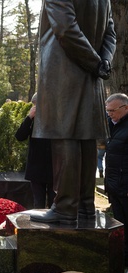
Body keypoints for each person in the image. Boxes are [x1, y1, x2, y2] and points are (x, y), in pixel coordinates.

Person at [29, 0, 116, 224]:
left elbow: (66, 29)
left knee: (64, 134)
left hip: (63, 71)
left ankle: (66, 206)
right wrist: (103, 60)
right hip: (91, 75)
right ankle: (84, 206)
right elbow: (109, 32)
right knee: (85, 136)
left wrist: (96, 62)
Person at [15, 94, 55, 209]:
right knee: (38, 202)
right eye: (34, 106)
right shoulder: (32, 119)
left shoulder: (56, 119)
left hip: (53, 167)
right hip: (36, 167)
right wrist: (29, 118)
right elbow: (20, 136)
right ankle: (38, 226)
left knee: (54, 201)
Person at [104, 93, 128, 266]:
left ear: (125, 107)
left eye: (113, 110)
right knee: (120, 225)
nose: (110, 114)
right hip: (115, 186)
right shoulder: (113, 125)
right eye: (108, 111)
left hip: (124, 185)